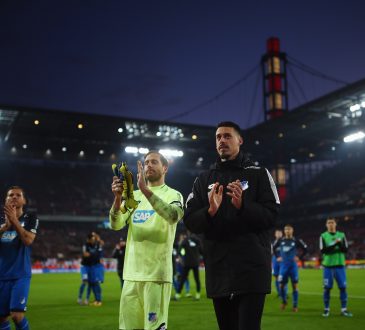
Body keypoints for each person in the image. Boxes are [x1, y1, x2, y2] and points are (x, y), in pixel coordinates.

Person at [184, 121, 280, 330]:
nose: (222, 141)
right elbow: (190, 220)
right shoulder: (203, 180)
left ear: (240, 140)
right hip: (219, 270)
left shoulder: (259, 174)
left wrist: (244, 206)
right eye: (218, 137)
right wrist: (210, 211)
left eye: (227, 136)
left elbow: (272, 216)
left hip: (252, 270)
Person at [109, 151, 184, 330]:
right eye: (146, 162)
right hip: (131, 276)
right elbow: (115, 224)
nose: (149, 165)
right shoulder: (133, 197)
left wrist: (145, 190)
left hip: (157, 276)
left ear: (165, 168)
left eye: (154, 162)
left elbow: (173, 216)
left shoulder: (174, 195)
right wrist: (118, 197)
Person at [0, 186, 39, 330]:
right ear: (6, 200)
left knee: (17, 316)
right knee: (1, 318)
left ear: (24, 200)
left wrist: (14, 222)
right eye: (10, 195)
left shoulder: (30, 218)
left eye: (18, 195)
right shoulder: (0, 220)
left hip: (20, 275)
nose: (14, 197)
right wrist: (5, 227)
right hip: (2, 275)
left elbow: (28, 240)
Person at [320, 218, 352, 317]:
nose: (330, 224)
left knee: (343, 288)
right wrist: (336, 244)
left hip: (340, 266)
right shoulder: (323, 236)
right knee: (327, 288)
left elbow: (345, 249)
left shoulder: (342, 235)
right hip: (328, 266)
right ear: (326, 225)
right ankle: (326, 309)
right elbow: (323, 250)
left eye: (332, 222)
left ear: (335, 224)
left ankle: (344, 309)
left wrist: (339, 243)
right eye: (328, 222)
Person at [273, 224, 307, 312]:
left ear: (292, 230)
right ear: (284, 231)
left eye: (289, 229)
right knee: (281, 285)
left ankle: (295, 305)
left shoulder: (296, 240)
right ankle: (284, 301)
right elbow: (273, 248)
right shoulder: (280, 240)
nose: (287, 231)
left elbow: (305, 249)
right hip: (283, 266)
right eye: (286, 229)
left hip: (293, 266)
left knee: (294, 286)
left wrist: (299, 257)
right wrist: (277, 257)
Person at [77, 232, 104, 306]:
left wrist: (96, 235)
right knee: (84, 281)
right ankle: (79, 298)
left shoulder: (96, 244)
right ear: (88, 240)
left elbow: (101, 242)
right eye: (92, 239)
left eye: (94, 239)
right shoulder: (85, 245)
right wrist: (95, 255)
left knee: (91, 283)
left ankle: (87, 299)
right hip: (85, 266)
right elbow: (85, 254)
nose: (93, 240)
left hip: (93, 266)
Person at [174, 232, 202, 301]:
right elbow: (201, 250)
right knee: (197, 279)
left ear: (188, 233)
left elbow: (179, 250)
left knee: (183, 279)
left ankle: (178, 295)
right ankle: (198, 295)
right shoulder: (197, 240)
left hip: (187, 262)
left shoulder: (185, 240)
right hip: (195, 262)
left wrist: (182, 256)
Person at [272, 229, 284, 296]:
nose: (278, 234)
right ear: (275, 234)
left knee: (282, 276)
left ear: (282, 234)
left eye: (280, 233)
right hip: (275, 260)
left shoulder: (284, 241)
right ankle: (279, 293)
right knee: (276, 276)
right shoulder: (273, 242)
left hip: (282, 259)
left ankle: (284, 293)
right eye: (277, 233)